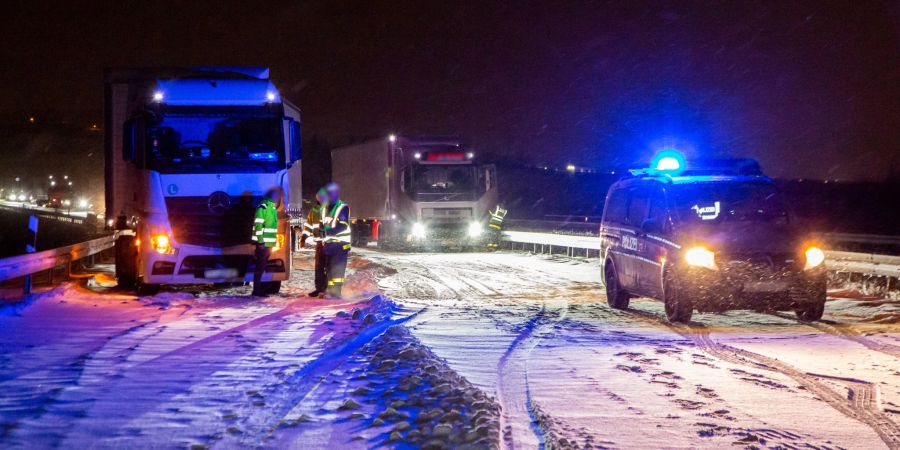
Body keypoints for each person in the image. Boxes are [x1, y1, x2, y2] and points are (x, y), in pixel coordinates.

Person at [321, 182, 351, 298]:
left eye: (332, 193)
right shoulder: (325, 208)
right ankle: (331, 291)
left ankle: (337, 293)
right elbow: (323, 225)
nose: (330, 195)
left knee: (337, 270)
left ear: (336, 194)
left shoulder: (342, 207)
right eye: (328, 193)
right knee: (329, 270)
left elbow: (343, 226)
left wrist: (327, 232)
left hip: (340, 245)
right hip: (329, 245)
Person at [250, 188, 281, 296]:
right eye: (276, 196)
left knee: (262, 267)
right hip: (263, 244)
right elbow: (258, 225)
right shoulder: (264, 207)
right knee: (260, 268)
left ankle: (258, 289)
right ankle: (256, 290)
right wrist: (260, 242)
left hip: (267, 244)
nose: (278, 198)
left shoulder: (271, 207)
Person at [302, 187, 329, 297]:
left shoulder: (329, 209)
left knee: (328, 267)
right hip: (320, 244)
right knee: (319, 267)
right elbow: (308, 226)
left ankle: (327, 289)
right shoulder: (314, 211)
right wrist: (303, 237)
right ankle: (319, 288)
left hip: (328, 243)